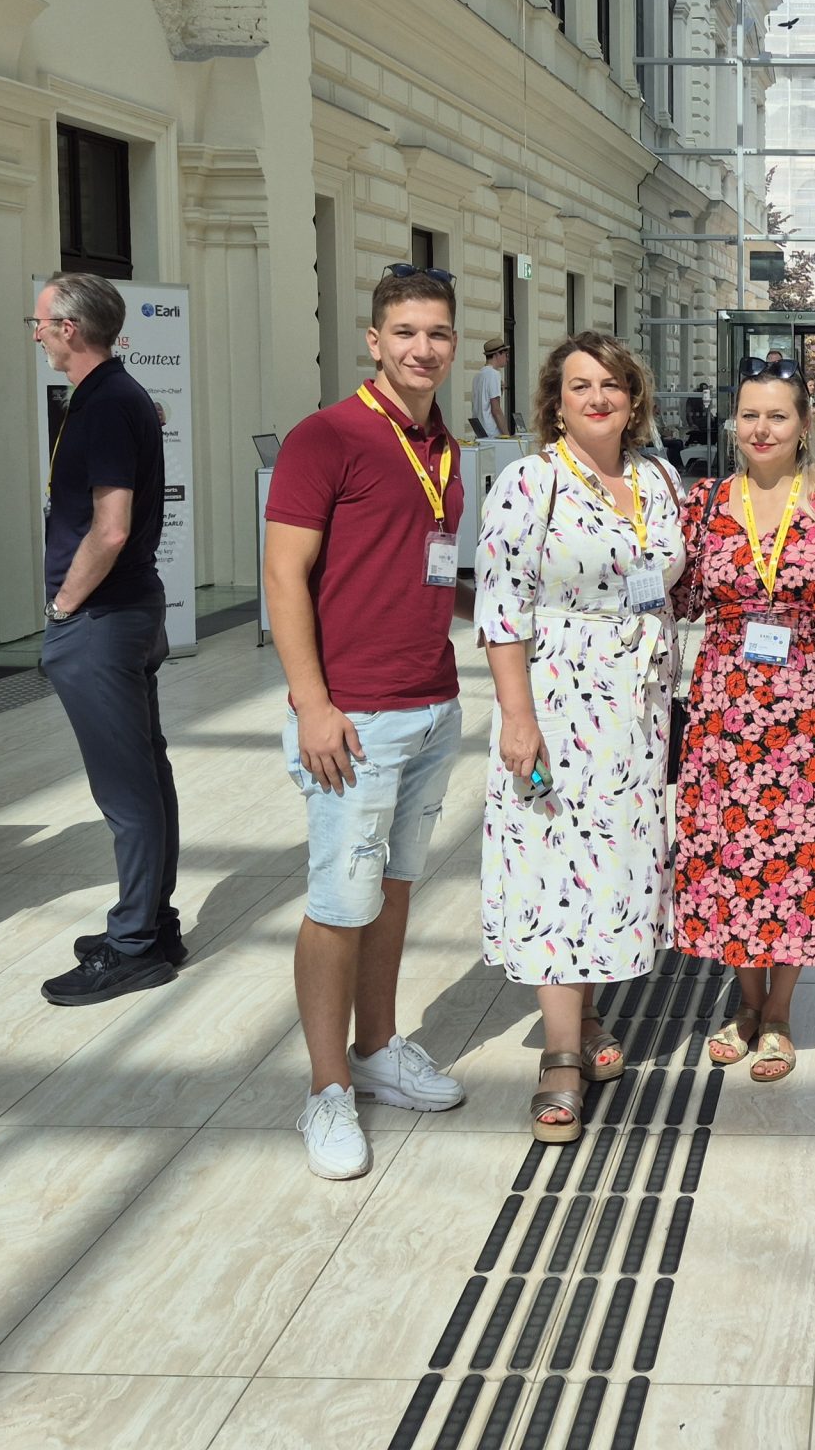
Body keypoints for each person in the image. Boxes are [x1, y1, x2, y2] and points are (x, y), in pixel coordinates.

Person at [264, 266, 472, 1180]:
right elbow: (282, 575)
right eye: (406, 332)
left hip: (431, 704)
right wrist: (313, 703)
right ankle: (326, 1089)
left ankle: (379, 1048)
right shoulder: (327, 437)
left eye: (438, 333)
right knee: (338, 904)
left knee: (393, 889)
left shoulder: (443, 446)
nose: (423, 349)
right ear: (374, 340)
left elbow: (424, 564)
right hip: (353, 716)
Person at [478, 332, 687, 1144]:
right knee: (552, 861)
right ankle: (560, 1055)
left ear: (634, 400)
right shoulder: (530, 482)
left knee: (608, 866)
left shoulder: (656, 479)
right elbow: (501, 605)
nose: (597, 397)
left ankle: (591, 1015)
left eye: (611, 385)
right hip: (559, 699)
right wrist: (517, 716)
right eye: (579, 386)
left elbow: (670, 584)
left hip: (637, 708)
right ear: (555, 403)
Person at [673, 356, 815, 1082]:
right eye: (750, 414)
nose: (761, 428)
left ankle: (779, 1010)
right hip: (723, 711)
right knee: (729, 852)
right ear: (734, 423)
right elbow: (681, 598)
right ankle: (745, 1000)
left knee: (796, 854)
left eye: (777, 415)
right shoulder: (704, 502)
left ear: (803, 425)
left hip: (804, 713)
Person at [30, 270, 182, 1006]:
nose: (35, 333)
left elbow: (110, 526)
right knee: (143, 775)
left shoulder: (107, 403)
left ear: (69, 329)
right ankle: (152, 923)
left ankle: (134, 946)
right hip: (124, 612)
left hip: (102, 618)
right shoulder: (113, 396)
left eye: (39, 322)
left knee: (126, 791)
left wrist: (64, 607)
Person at [473, 337, 512, 438]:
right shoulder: (494, 374)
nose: (507, 359)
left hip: (480, 432)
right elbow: (496, 410)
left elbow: (483, 402)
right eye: (505, 354)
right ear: (497, 354)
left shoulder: (478, 375)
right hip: (492, 433)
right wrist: (507, 436)